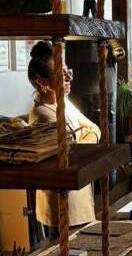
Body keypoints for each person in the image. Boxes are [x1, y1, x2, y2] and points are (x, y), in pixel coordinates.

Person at [27, 40, 100, 231]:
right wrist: (84, 137)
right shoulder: (43, 115)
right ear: (43, 83)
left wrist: (83, 137)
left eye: (69, 71)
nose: (69, 78)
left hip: (80, 195)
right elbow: (72, 152)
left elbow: (95, 129)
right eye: (62, 74)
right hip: (62, 204)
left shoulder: (63, 102)